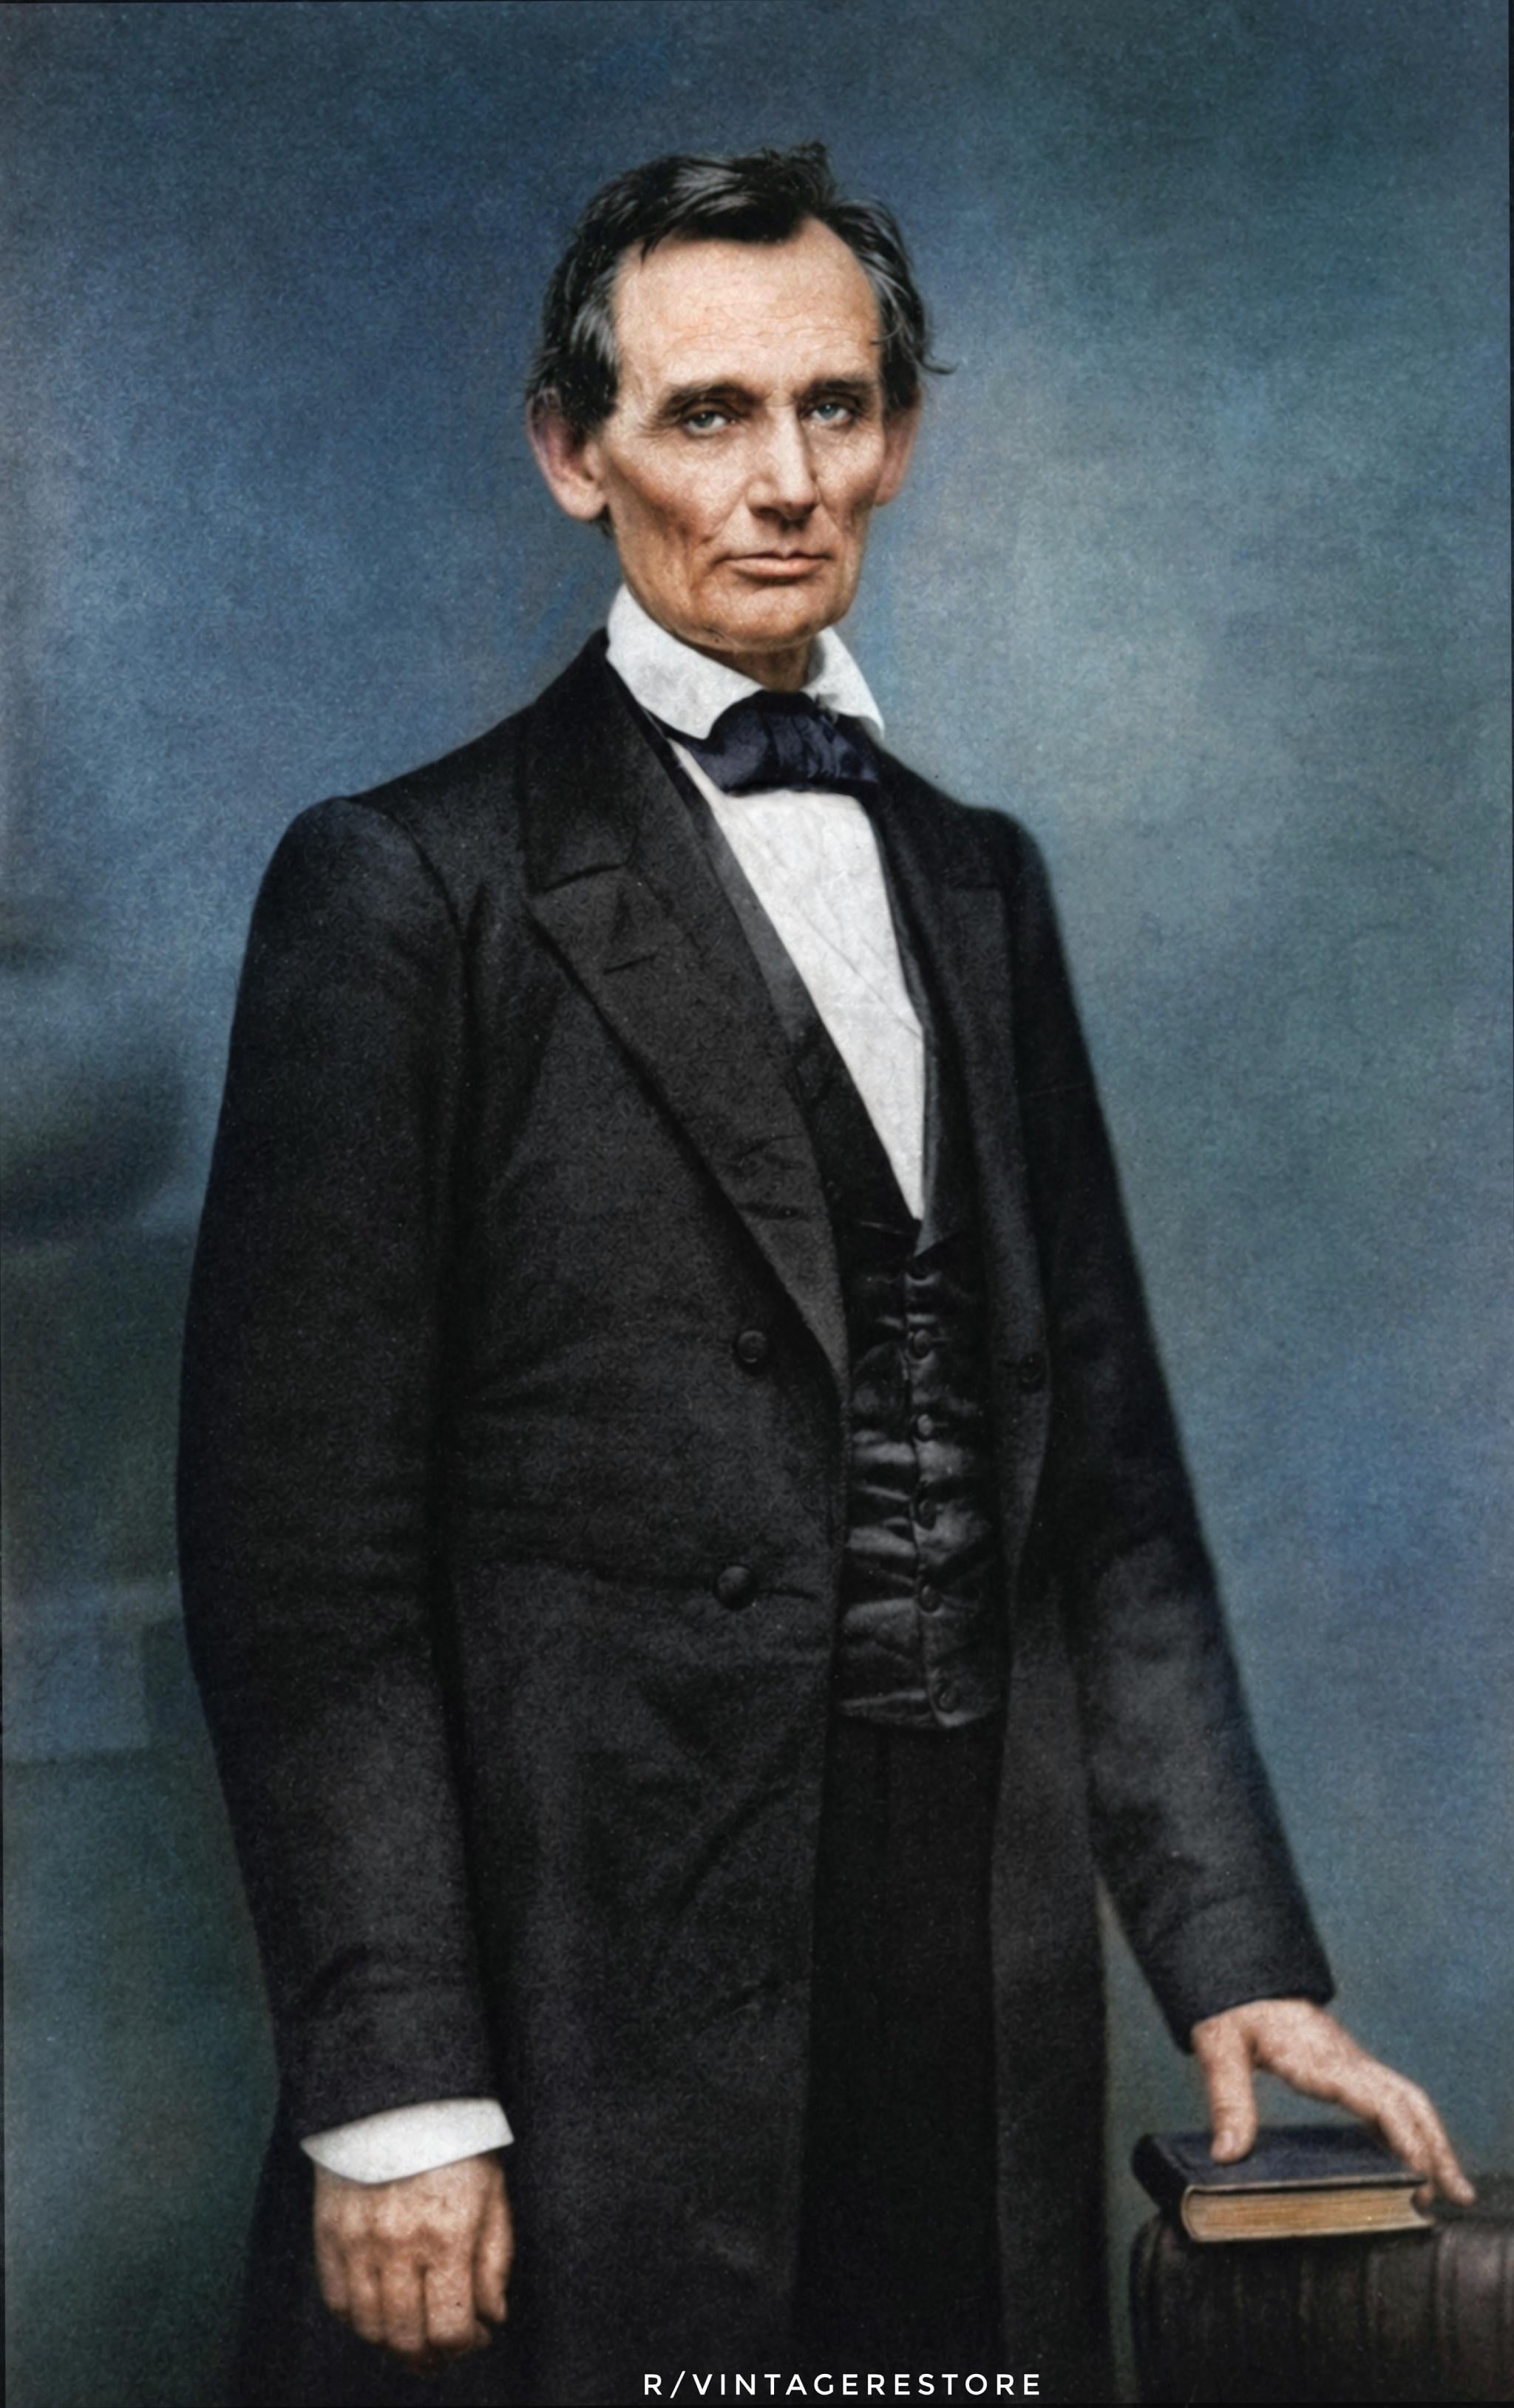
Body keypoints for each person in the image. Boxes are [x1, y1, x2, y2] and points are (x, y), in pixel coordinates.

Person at [178, 144, 1470, 2407]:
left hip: (966, 1957)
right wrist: (393, 2079)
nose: (784, 481)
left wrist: (1232, 1958)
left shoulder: (981, 881)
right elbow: (306, 1565)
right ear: (571, 451)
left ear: (900, 433)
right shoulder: (407, 887)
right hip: (586, 1986)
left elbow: (1110, 1497)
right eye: (708, 414)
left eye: (834, 406)